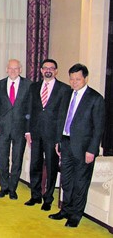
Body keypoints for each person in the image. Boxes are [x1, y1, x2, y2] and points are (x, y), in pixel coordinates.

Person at [49, 63, 105, 228]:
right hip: (65, 143)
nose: (74, 82)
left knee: (80, 183)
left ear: (85, 79)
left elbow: (98, 128)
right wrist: (59, 141)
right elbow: (61, 119)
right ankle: (65, 210)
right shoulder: (67, 95)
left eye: (78, 79)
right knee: (66, 181)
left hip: (84, 148)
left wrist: (92, 150)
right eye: (72, 79)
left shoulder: (95, 98)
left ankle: (75, 215)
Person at [24, 59, 69, 210]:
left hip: (53, 136)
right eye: (45, 68)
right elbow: (29, 110)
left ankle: (48, 199)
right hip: (35, 133)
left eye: (51, 68)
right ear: (41, 70)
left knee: (51, 167)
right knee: (35, 165)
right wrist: (28, 131)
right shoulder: (34, 87)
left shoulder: (64, 89)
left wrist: (59, 139)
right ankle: (35, 195)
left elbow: (63, 115)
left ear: (56, 71)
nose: (48, 70)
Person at [0, 59, 32, 200]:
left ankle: (12, 188)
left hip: (20, 129)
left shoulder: (28, 85)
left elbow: (29, 109)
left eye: (16, 68)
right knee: (3, 158)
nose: (13, 71)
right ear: (6, 69)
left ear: (20, 69)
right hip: (3, 128)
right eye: (11, 68)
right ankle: (3, 187)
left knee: (17, 159)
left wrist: (28, 131)